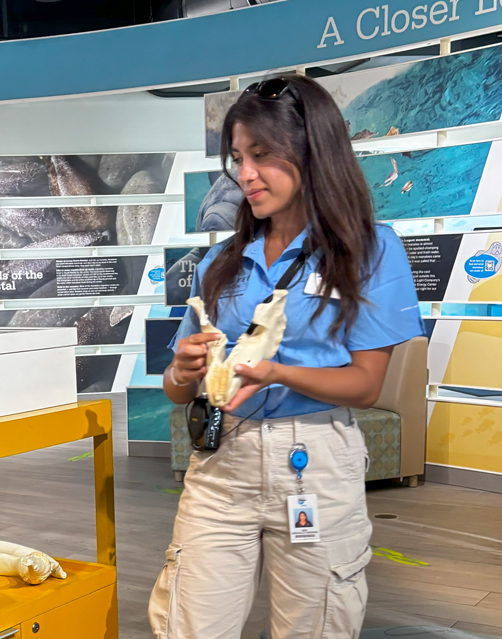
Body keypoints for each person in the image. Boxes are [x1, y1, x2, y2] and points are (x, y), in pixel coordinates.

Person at [148, 75, 423, 639]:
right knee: (187, 625)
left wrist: (272, 371)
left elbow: (366, 384)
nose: (245, 175)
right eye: (239, 158)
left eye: (263, 156)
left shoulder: (370, 251)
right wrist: (182, 371)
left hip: (315, 464)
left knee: (316, 625)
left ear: (312, 153)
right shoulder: (220, 264)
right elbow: (179, 389)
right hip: (220, 464)